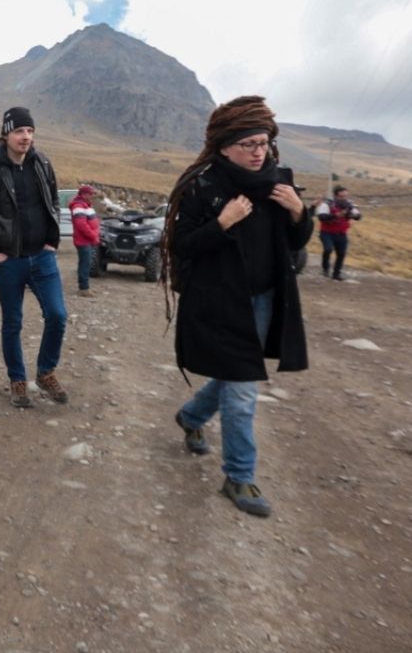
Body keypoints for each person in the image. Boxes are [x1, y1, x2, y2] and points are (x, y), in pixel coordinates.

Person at [160, 96, 312, 518]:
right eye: (248, 144)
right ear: (225, 146)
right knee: (243, 388)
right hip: (218, 302)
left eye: (263, 142)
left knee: (235, 376)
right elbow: (182, 245)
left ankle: (191, 417)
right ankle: (239, 476)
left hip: (263, 299)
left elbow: (297, 242)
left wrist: (300, 213)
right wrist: (222, 223)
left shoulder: (279, 184)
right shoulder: (202, 187)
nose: (258, 151)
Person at [0, 106, 69, 408]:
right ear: (6, 134)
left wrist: (52, 241)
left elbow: (53, 204)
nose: (26, 137)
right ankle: (17, 381)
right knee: (13, 323)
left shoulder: (42, 164)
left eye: (30, 131)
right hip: (9, 262)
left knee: (58, 315)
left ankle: (46, 372)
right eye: (20, 131)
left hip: (43, 258)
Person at [315, 185, 362, 280]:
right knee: (328, 249)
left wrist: (352, 215)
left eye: (345, 196)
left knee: (341, 253)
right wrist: (336, 215)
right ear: (335, 196)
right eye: (341, 197)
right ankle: (325, 268)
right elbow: (321, 217)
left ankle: (336, 274)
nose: (344, 199)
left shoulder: (349, 205)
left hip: (341, 233)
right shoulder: (327, 204)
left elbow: (358, 216)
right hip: (326, 233)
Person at [69, 184, 101, 297]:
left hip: (87, 240)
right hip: (83, 241)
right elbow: (81, 225)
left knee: (86, 263)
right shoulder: (78, 206)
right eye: (90, 193)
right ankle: (83, 288)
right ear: (84, 194)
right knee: (85, 263)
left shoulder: (85, 205)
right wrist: (93, 236)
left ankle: (85, 286)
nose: (92, 195)